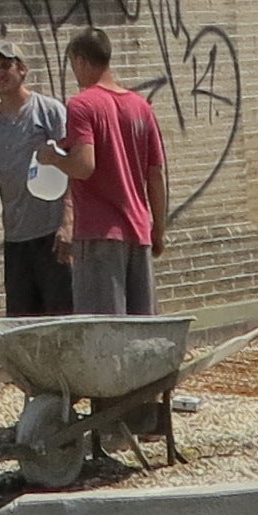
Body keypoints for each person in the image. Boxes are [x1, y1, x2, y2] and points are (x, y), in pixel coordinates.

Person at [0, 40, 75, 319]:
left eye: (6, 66)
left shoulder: (49, 112)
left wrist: (69, 222)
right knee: (23, 324)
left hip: (53, 234)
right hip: (17, 240)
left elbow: (73, 166)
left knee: (63, 319)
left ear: (22, 69)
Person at [60, 26, 165, 318]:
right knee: (142, 330)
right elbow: (154, 173)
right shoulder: (141, 107)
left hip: (98, 234)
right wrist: (159, 228)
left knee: (104, 331)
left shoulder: (82, 104)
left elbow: (84, 166)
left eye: (73, 65)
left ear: (80, 60)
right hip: (138, 231)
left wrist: (52, 158)